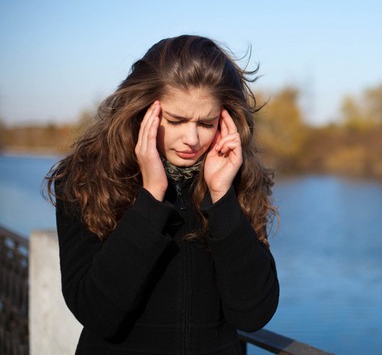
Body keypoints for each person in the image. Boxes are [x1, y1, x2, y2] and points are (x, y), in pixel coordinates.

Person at [45, 35, 279, 354]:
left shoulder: (237, 184)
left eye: (206, 123)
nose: (191, 139)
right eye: (176, 120)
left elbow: (253, 313)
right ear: (142, 112)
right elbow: (95, 312)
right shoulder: (85, 180)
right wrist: (151, 200)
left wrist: (222, 199)